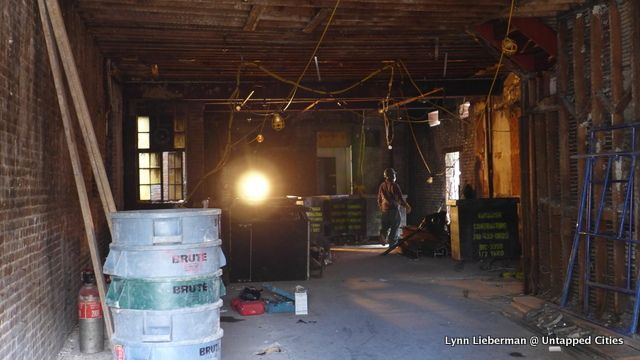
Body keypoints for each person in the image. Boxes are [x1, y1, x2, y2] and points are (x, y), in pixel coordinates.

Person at [377, 167, 411, 246]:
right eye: (394, 175)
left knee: (385, 226)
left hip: (384, 210)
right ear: (392, 176)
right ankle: (392, 242)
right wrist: (407, 206)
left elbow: (379, 198)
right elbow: (399, 199)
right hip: (393, 210)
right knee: (395, 226)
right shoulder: (394, 186)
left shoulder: (382, 185)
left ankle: (383, 235)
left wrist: (381, 207)